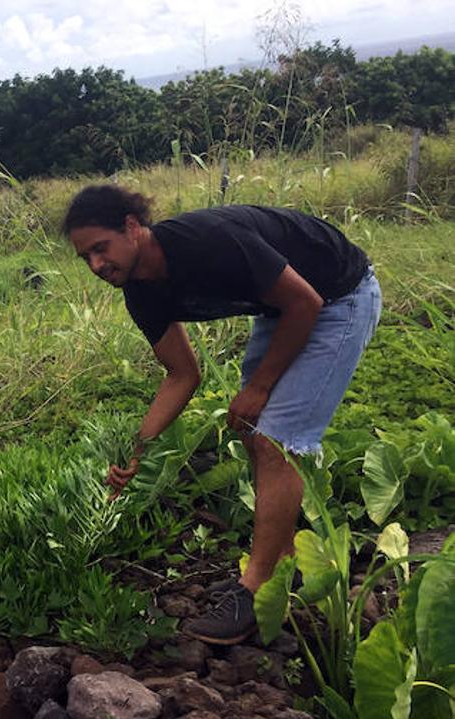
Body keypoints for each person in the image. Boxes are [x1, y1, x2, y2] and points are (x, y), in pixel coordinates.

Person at [63, 185, 381, 645]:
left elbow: (306, 303)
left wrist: (259, 386)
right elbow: (181, 374)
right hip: (283, 309)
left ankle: (254, 591)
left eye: (100, 248)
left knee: (278, 439)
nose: (96, 265)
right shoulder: (141, 292)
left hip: (338, 296)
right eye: (85, 258)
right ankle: (283, 565)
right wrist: (139, 450)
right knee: (256, 433)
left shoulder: (204, 244)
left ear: (132, 228)